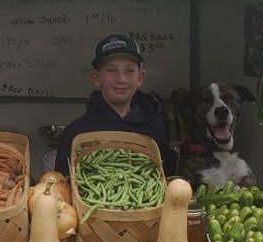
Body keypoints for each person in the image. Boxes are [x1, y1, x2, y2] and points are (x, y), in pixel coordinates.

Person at [54, 34, 178, 176]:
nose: (122, 79)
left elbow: (167, 181)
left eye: (130, 70)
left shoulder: (155, 128)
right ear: (96, 78)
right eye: (111, 70)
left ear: (140, 77)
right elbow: (61, 186)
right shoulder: (77, 132)